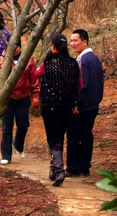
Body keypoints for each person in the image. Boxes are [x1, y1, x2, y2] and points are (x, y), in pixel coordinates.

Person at [35, 34, 79, 186]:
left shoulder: (48, 63)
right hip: (68, 106)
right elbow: (79, 84)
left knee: (53, 139)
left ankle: (59, 170)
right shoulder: (73, 63)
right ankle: (53, 169)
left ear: (53, 46)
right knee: (59, 137)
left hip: (51, 105)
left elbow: (36, 74)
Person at [0, 36, 36, 165]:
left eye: (16, 46)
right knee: (7, 127)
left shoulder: (28, 60)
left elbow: (34, 79)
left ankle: (18, 144)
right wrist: (1, 62)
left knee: (23, 125)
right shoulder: (3, 59)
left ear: (20, 47)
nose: (13, 48)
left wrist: (36, 95)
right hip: (8, 99)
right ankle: (6, 155)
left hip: (23, 97)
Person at [67, 28, 103, 177]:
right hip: (93, 104)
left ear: (84, 42)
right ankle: (84, 166)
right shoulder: (94, 59)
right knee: (86, 135)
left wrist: (76, 103)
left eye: (75, 41)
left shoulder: (84, 60)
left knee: (74, 135)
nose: (72, 44)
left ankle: (74, 167)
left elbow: (82, 84)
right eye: (71, 41)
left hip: (84, 105)